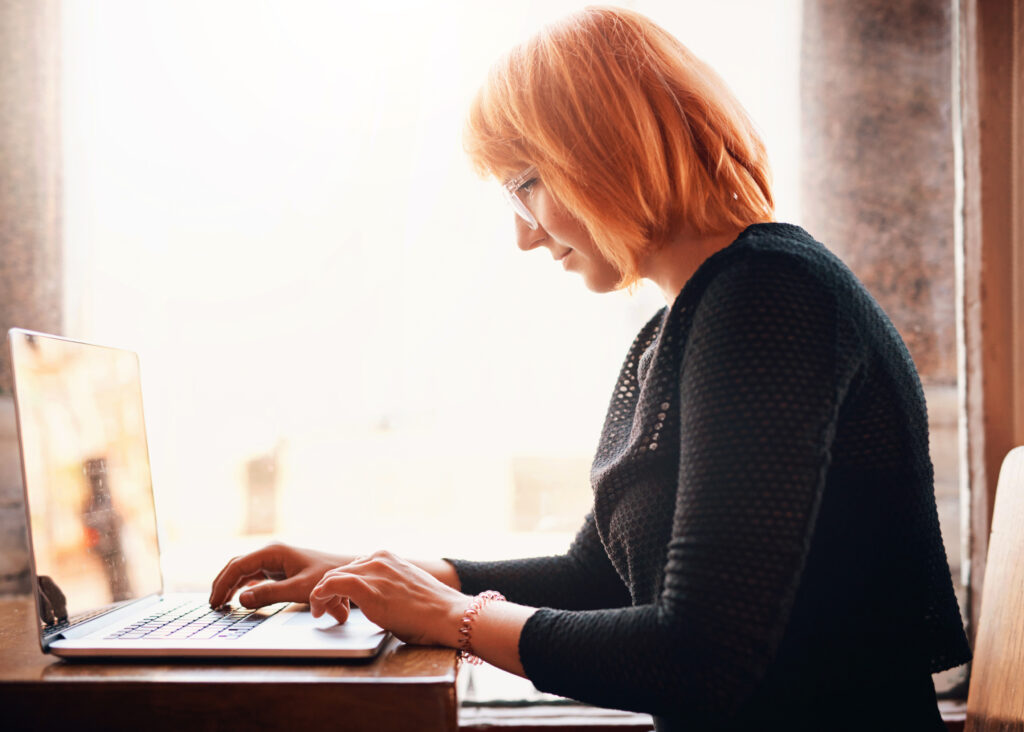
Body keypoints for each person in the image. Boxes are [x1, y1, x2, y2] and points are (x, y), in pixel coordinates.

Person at [208, 7, 970, 730]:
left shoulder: (766, 299)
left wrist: (450, 620)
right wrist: (376, 572)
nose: (524, 236)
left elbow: (702, 656)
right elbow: (597, 575)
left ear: (603, 149)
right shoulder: (695, 317)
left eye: (525, 183)